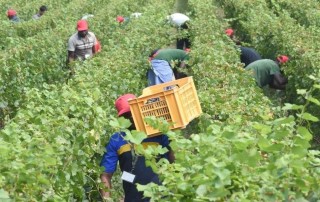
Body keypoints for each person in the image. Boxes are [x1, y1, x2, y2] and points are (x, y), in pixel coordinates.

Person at [100, 94, 175, 202]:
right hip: (133, 195)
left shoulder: (157, 132)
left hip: (161, 194)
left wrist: (173, 135)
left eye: (133, 112)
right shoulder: (117, 139)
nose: (131, 117)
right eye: (127, 114)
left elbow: (174, 161)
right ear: (121, 118)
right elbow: (105, 175)